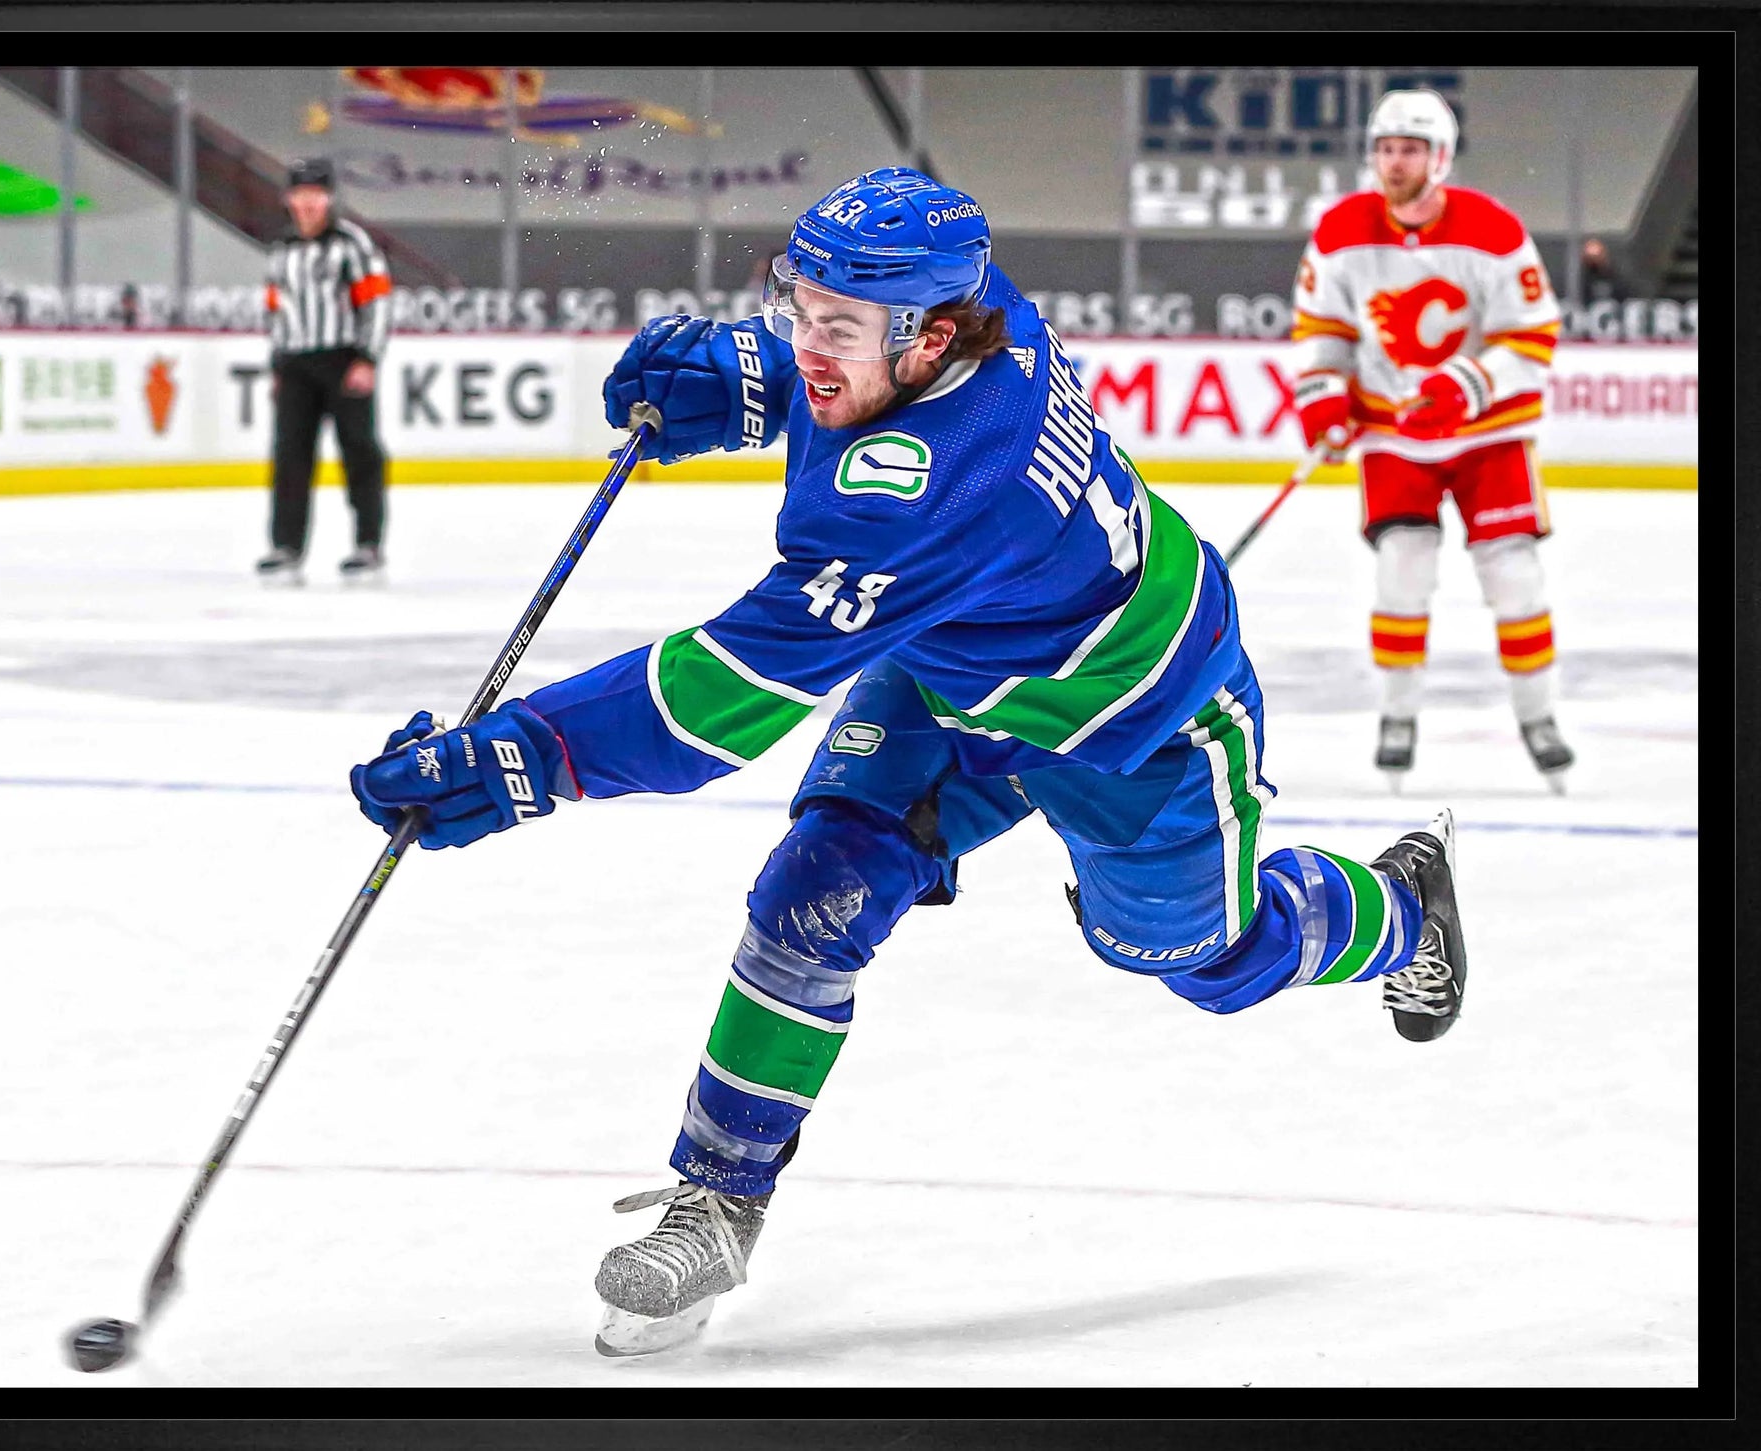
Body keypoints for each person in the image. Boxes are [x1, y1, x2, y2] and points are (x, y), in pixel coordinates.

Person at [349, 168, 1470, 1357]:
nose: (808, 343)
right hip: (955, 665)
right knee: (812, 889)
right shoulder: (973, 306)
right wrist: (749, 378)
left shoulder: (923, 494)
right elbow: (838, 375)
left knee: (1202, 957)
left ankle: (1402, 913)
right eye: (798, 308)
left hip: (1138, 717)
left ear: (930, 337)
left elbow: (712, 705)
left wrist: (521, 756)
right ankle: (718, 1196)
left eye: (836, 327)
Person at [1291, 89, 1573, 790]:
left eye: (1410, 149)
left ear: (1440, 157)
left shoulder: (1493, 230)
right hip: (1393, 434)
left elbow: (1533, 334)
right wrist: (1326, 400)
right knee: (1401, 574)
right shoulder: (1341, 231)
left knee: (1515, 579)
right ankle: (1397, 716)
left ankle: (1538, 717)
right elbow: (1323, 329)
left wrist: (1463, 385)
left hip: (1490, 435)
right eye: (1386, 149)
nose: (1394, 162)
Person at [256, 157, 393, 587]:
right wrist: (278, 364)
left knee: (360, 452)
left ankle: (368, 544)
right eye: (300, 194)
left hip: (345, 359)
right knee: (290, 455)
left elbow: (377, 303)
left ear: (329, 198)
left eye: (315, 194)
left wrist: (367, 359)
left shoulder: (353, 245)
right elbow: (277, 310)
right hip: (296, 364)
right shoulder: (282, 251)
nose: (308, 203)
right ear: (289, 199)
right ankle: (286, 547)